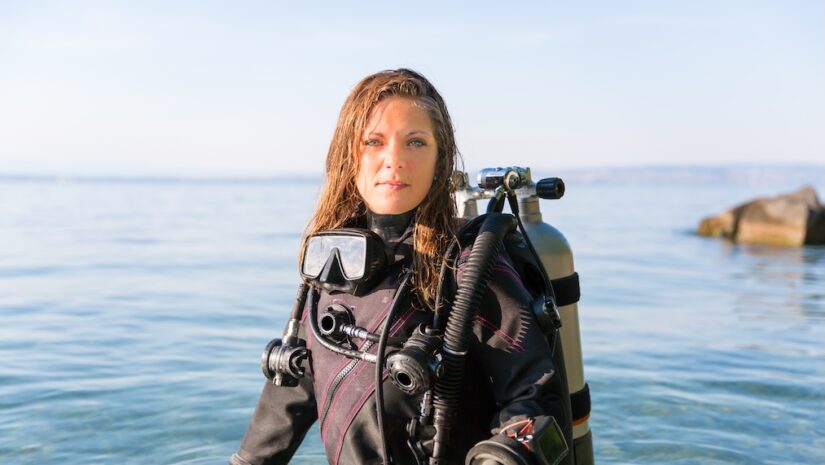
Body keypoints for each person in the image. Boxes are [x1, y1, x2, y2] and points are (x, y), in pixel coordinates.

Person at [230, 69, 570, 465]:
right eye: (374, 141)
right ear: (347, 156)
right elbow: (294, 387)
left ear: (440, 159)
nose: (395, 160)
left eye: (415, 142)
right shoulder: (332, 263)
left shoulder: (468, 263)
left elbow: (534, 392)